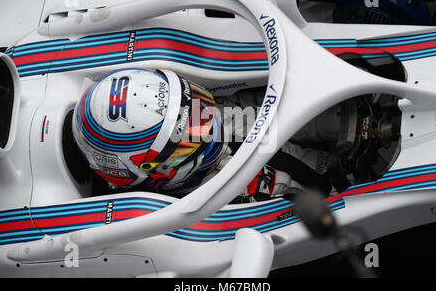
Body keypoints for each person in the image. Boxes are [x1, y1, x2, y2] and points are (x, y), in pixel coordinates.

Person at [72, 68, 336, 201]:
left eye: (198, 109)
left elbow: (273, 115)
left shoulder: (194, 118)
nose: (207, 130)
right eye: (188, 142)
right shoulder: (182, 220)